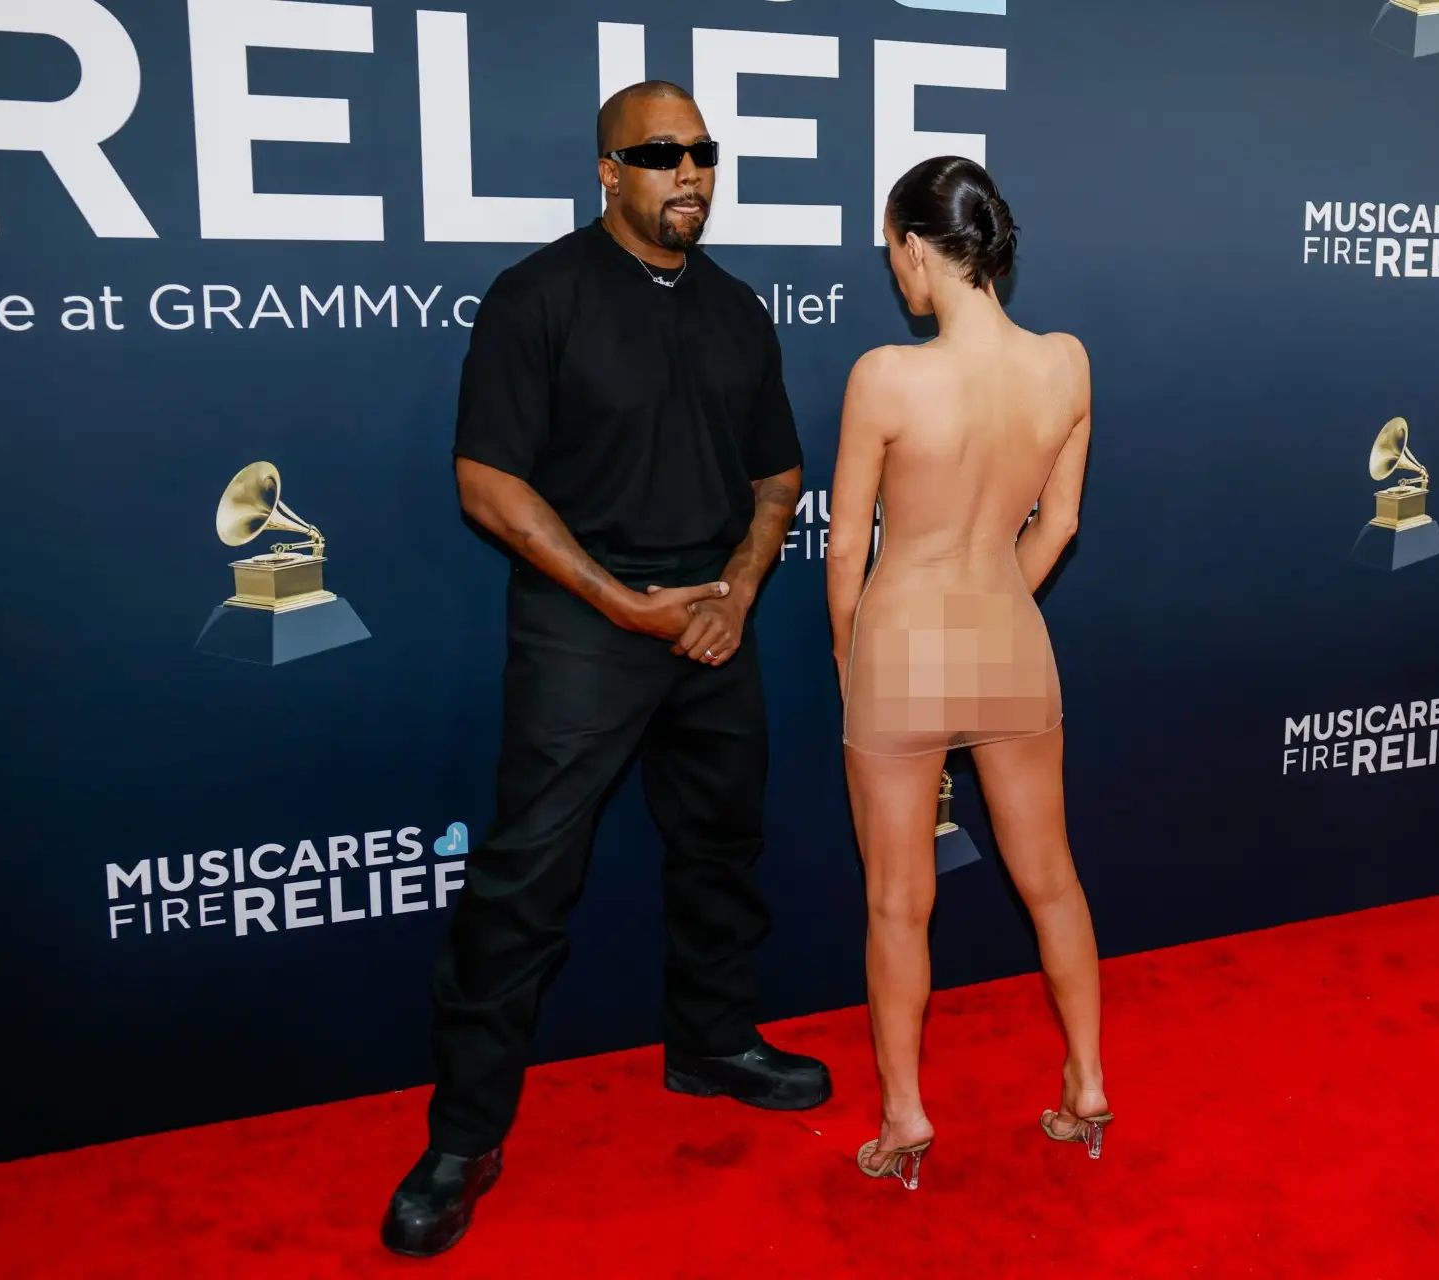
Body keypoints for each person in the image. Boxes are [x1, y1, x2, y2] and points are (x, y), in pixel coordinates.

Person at [382, 80, 830, 1257]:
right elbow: (489, 482)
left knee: (722, 848)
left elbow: (778, 477)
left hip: (712, 624)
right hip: (587, 620)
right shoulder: (539, 297)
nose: (689, 172)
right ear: (608, 171)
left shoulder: (738, 310)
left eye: (703, 154)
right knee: (522, 882)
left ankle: (713, 1040)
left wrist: (735, 587)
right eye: (660, 153)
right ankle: (464, 1134)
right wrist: (620, 601)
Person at [825, 157, 1109, 1189]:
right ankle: (1086, 1086)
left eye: (890, 249)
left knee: (899, 900)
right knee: (1054, 879)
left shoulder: (884, 377)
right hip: (1010, 632)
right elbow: (1062, 519)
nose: (892, 270)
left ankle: (905, 1119)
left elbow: (846, 549)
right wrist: (1001, 598)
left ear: (913, 244)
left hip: (903, 642)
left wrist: (857, 658)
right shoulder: (1066, 363)